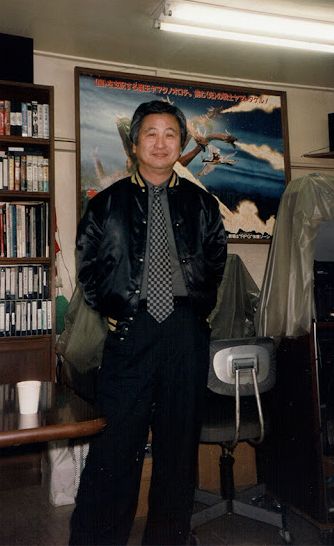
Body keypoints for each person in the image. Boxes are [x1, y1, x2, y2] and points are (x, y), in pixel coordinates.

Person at [70, 100, 227, 546]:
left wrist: (197, 311)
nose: (161, 143)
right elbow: (88, 267)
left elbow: (217, 262)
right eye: (151, 134)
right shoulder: (106, 204)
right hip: (130, 331)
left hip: (184, 334)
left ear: (180, 144)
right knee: (115, 449)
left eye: (170, 134)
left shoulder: (202, 204)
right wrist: (113, 309)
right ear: (135, 144)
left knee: (178, 453)